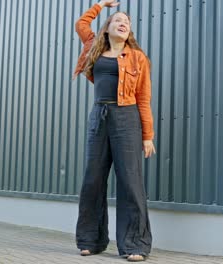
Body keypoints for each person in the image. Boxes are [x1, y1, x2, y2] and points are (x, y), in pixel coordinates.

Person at [72, 0, 156, 262]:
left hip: (127, 118)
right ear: (108, 27)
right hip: (99, 115)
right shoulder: (93, 47)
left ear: (129, 32)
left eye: (127, 22)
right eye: (118, 20)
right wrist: (100, 4)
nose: (123, 23)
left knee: (130, 181)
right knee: (93, 179)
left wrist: (147, 135)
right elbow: (81, 24)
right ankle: (91, 240)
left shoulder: (138, 58)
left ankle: (135, 245)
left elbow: (143, 98)